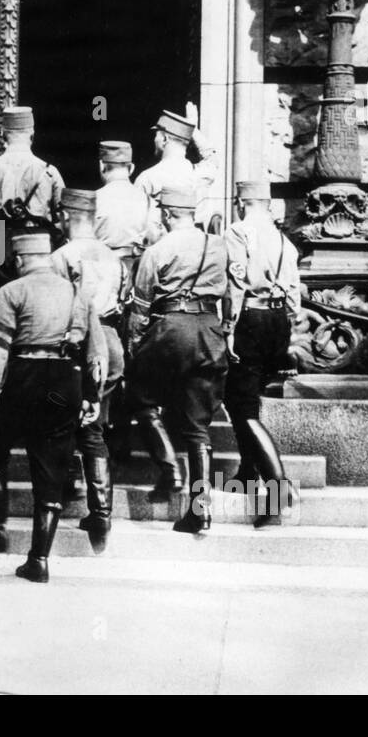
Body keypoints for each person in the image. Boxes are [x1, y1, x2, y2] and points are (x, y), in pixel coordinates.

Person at [0, 233, 105, 583]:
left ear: (19, 259)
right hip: (66, 382)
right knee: (51, 468)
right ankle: (39, 559)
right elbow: (94, 349)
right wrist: (92, 395)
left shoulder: (10, 292)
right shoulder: (77, 293)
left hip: (24, 377)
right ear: (47, 256)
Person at [128, 187, 229, 533]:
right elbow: (232, 291)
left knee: (141, 397)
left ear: (168, 215)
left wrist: (135, 346)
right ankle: (200, 510)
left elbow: (140, 309)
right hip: (209, 331)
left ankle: (169, 466)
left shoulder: (158, 250)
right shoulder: (219, 245)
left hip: (171, 329)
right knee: (198, 428)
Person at [222, 180, 301, 527]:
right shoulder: (284, 240)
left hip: (250, 319)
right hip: (278, 320)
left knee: (240, 405)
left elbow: (235, 286)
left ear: (241, 202)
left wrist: (228, 329)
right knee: (249, 396)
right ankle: (246, 472)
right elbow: (295, 295)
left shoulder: (238, 232)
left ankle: (278, 488)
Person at [51, 188, 126, 552]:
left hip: (80, 343)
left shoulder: (61, 256)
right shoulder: (113, 257)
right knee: (94, 425)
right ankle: (101, 512)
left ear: (65, 216)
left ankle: (68, 492)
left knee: (65, 419)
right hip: (111, 340)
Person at [0, 105, 65, 326]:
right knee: (36, 306)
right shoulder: (49, 172)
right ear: (32, 134)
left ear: (2, 134)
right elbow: (62, 222)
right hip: (37, 242)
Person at [135, 109, 219, 237]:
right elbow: (211, 157)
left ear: (164, 139)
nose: (154, 140)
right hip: (197, 247)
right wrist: (192, 129)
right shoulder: (200, 173)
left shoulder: (148, 178)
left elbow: (138, 224)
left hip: (163, 249)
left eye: (156, 135)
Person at [94, 140, 152, 278]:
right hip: (136, 276)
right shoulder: (149, 202)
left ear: (101, 165)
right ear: (131, 168)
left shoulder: (91, 200)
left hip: (102, 275)